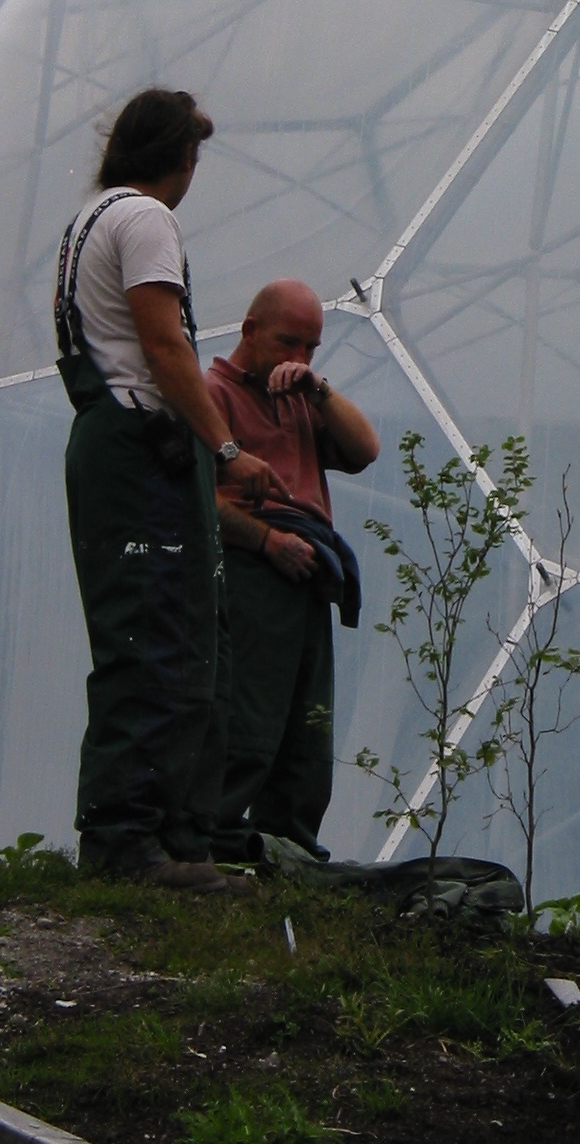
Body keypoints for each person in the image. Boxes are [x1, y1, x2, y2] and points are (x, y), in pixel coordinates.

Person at [57, 87, 285, 892]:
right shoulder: (146, 220)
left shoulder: (90, 219)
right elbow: (162, 343)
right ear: (181, 159)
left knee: (152, 634)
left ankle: (166, 838)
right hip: (140, 449)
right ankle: (130, 843)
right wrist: (225, 447)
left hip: (110, 443)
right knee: (159, 639)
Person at [205, 281, 379, 863]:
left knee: (309, 726)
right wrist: (267, 539)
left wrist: (318, 389)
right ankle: (219, 840)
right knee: (250, 717)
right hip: (254, 569)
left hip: (307, 572)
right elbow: (194, 501)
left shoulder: (301, 398)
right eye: (288, 342)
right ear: (249, 331)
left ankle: (288, 848)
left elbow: (365, 449)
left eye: (312, 347)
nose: (299, 358)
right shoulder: (212, 397)